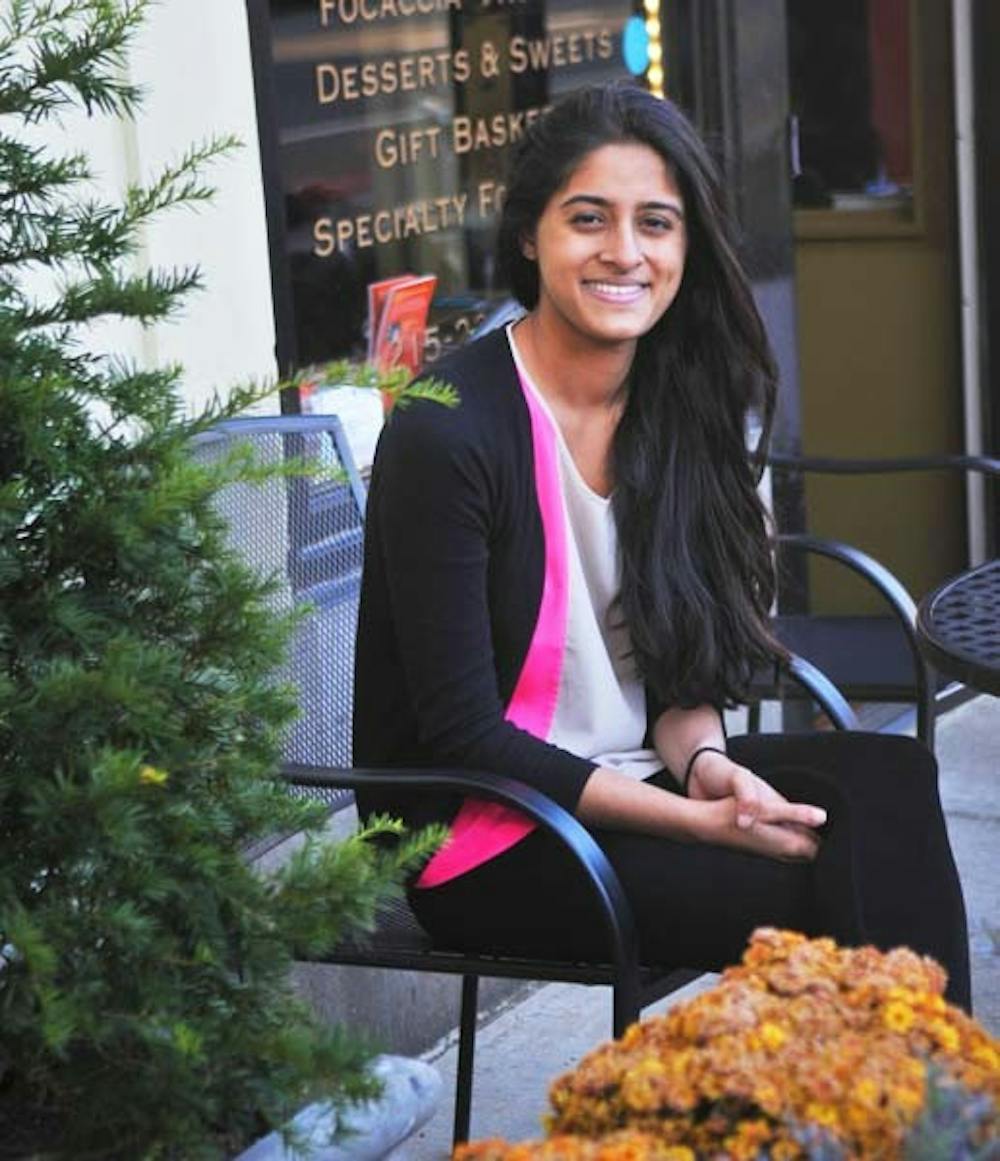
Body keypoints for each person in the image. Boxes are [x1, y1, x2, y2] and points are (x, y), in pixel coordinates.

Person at [353, 82, 971, 1008]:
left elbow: (678, 671)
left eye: (656, 222)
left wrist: (711, 769)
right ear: (530, 235)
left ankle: (930, 1120)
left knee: (891, 781)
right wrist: (696, 823)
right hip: (488, 833)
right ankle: (917, 1121)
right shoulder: (447, 430)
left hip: (636, 778)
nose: (625, 252)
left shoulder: (679, 403)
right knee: (826, 889)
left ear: (686, 245)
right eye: (589, 219)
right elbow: (466, 735)